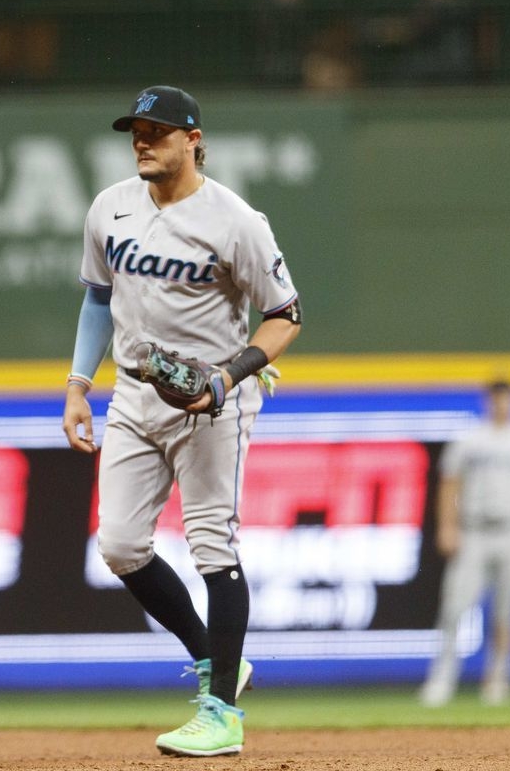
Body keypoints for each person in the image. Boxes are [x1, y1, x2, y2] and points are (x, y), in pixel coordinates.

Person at [61, 86, 302, 757]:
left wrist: (228, 377)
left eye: (157, 131)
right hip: (133, 395)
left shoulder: (235, 220)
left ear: (193, 140)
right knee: (120, 546)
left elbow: (286, 315)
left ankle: (222, 713)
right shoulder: (110, 207)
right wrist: (78, 385)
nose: (142, 141)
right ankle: (215, 657)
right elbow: (98, 299)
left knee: (212, 546)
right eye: (135, 131)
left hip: (211, 402)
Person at [419, 379, 510, 707]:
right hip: (474, 532)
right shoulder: (471, 439)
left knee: (505, 613)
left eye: (507, 398)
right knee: (454, 608)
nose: (502, 404)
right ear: (488, 401)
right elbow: (449, 484)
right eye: (496, 398)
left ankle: (498, 680)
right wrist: (447, 526)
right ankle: (442, 680)